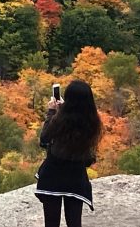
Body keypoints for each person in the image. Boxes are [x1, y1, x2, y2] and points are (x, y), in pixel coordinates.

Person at [34, 80, 102, 227]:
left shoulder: (59, 120)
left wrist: (52, 112)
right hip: (76, 178)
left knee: (51, 223)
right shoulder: (93, 122)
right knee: (74, 222)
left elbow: (44, 140)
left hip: (53, 175)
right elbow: (89, 158)